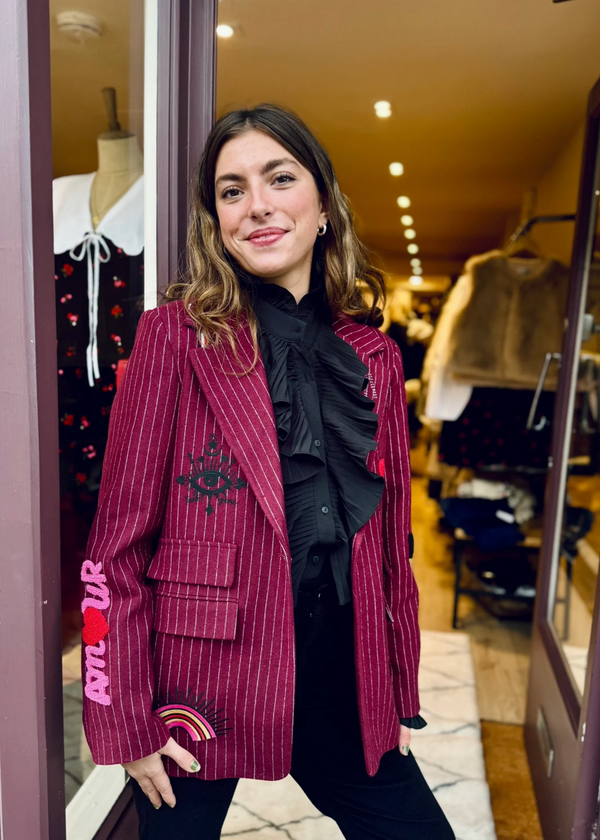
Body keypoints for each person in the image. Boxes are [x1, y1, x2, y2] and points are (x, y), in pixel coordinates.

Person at [80, 103, 455, 840]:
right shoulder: (174, 338)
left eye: (280, 178)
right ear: (216, 222)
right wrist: (122, 720)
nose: (256, 204)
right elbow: (112, 552)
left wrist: (394, 693)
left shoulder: (375, 357)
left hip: (341, 677)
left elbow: (390, 550)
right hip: (198, 686)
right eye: (232, 190)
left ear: (324, 206)